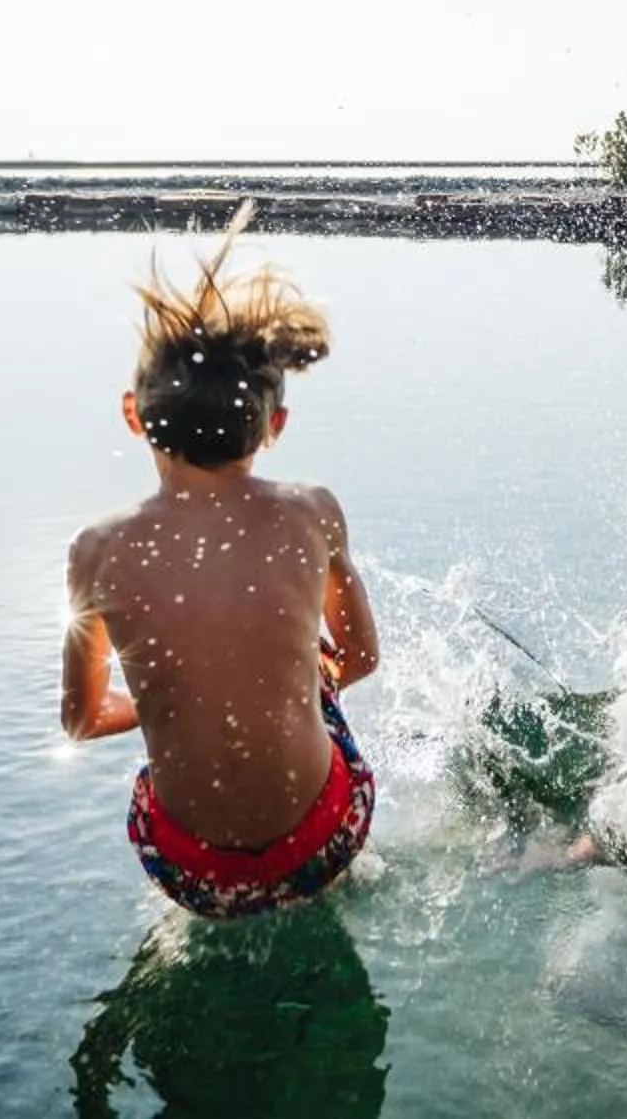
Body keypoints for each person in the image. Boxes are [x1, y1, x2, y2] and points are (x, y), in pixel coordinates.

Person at [62, 207, 382, 918]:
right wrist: (302, 676)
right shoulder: (312, 512)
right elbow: (358, 659)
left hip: (190, 870)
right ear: (274, 426)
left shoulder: (96, 550)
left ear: (133, 415)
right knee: (317, 685)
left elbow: (80, 721)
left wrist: (172, 702)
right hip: (322, 841)